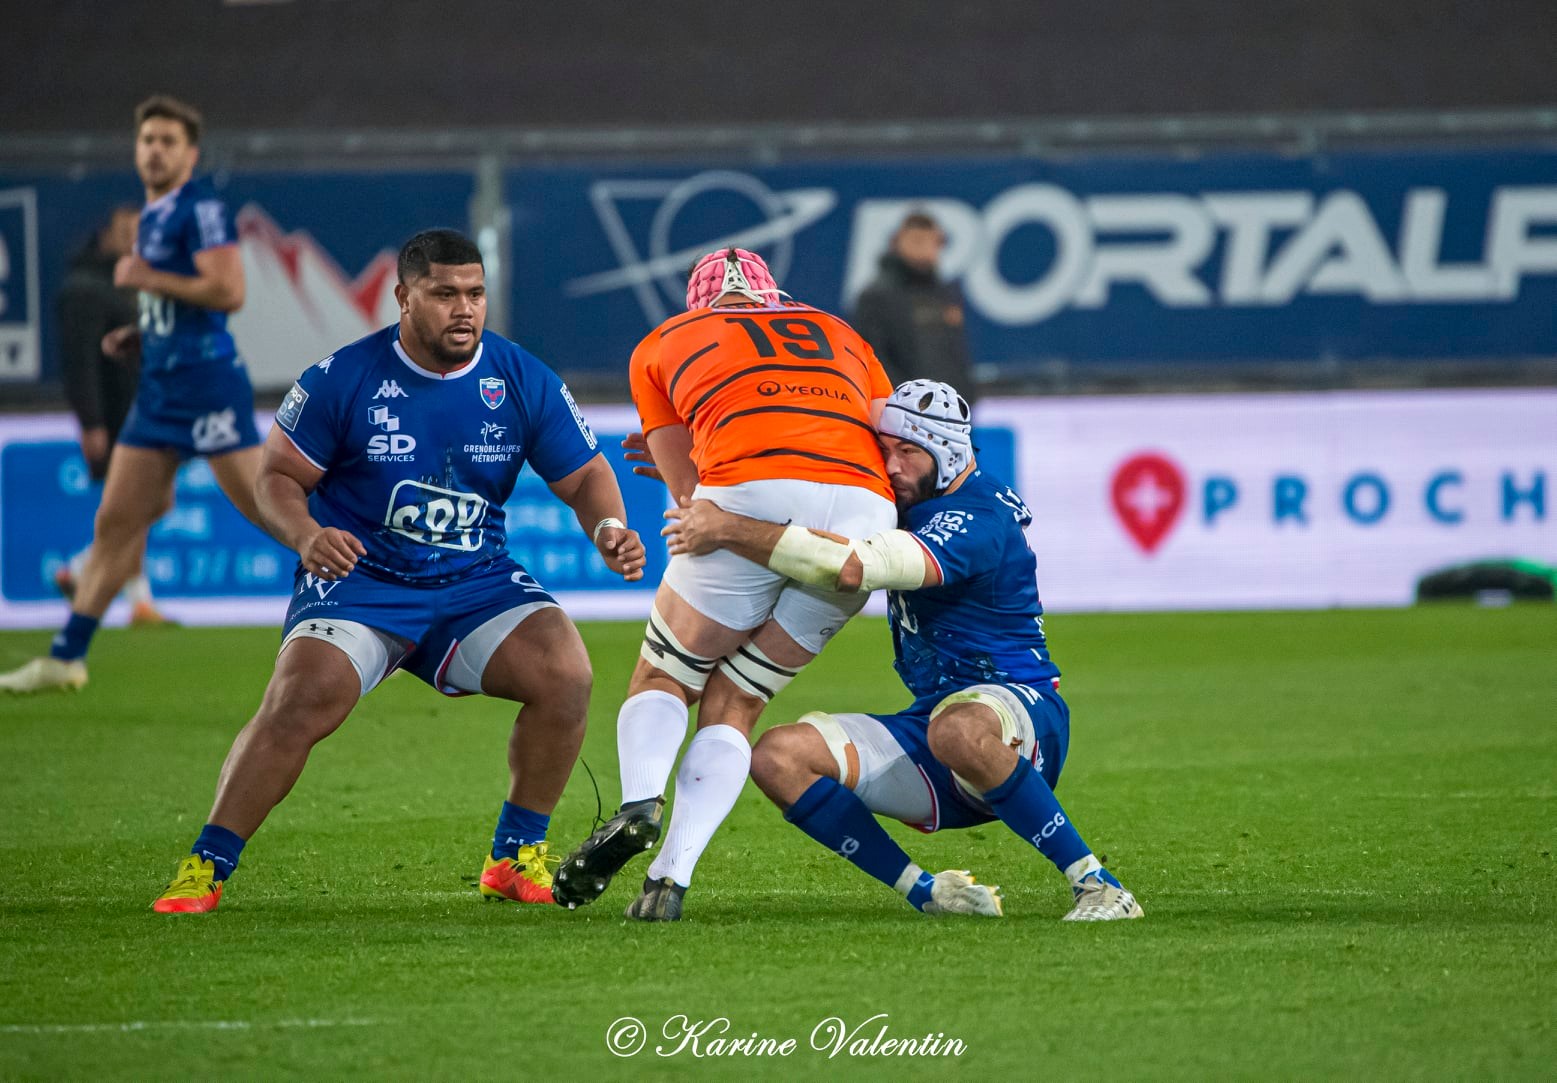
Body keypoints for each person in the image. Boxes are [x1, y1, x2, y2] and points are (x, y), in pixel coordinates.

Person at [149, 228, 646, 913]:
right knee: (301, 701)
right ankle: (205, 865)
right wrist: (307, 534)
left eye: (474, 294)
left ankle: (512, 856)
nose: (464, 309)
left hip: (474, 581)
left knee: (566, 674)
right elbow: (277, 478)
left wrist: (609, 527)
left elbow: (586, 473)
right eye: (445, 294)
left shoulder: (519, 376)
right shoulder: (342, 377)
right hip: (362, 581)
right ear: (403, 297)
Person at [661, 379, 1143, 922]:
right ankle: (929, 892)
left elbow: (851, 567)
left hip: (1021, 715)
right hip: (936, 727)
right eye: (884, 451)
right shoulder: (911, 499)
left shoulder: (977, 518)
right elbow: (814, 497)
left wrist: (725, 525)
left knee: (956, 728)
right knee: (777, 757)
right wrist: (714, 482)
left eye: (908, 452)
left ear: (950, 451)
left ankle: (1098, 885)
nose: (890, 467)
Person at [551, 248, 897, 921]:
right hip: (864, 512)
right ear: (774, 294)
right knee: (736, 701)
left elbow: (691, 500)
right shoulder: (842, 332)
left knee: (666, 678)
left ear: (696, 302)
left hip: (751, 488)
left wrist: (717, 477)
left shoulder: (661, 342)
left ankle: (640, 803)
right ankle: (669, 878)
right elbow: (889, 442)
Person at [1, 95, 262, 693]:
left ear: (190, 154)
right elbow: (183, 300)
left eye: (169, 141)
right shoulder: (150, 216)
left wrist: (146, 279)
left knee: (271, 513)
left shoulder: (200, 209)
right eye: (148, 140)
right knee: (116, 525)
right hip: (159, 389)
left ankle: (377, 597)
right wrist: (142, 330)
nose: (156, 150)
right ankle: (65, 657)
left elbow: (228, 291)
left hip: (206, 385)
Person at [52, 204, 170, 626]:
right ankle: (125, 593)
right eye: (126, 231)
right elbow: (78, 362)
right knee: (139, 502)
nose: (133, 239)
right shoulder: (85, 288)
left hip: (143, 411)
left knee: (145, 503)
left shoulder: (134, 287)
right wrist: (91, 423)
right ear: (106, 235)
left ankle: (98, 576)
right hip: (117, 418)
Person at [850, 211, 975, 397]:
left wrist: (966, 397)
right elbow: (873, 359)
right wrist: (907, 400)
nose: (925, 249)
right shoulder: (875, 297)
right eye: (917, 241)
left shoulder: (945, 294)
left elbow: (956, 356)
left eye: (932, 242)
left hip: (949, 410)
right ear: (897, 243)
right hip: (903, 410)